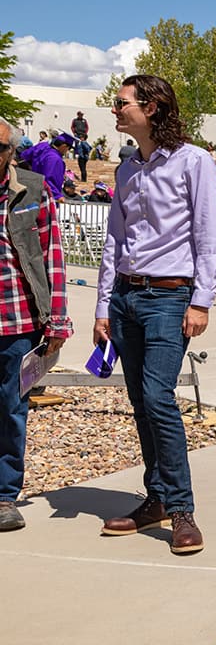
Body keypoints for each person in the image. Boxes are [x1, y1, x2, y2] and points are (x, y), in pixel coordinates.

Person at [93, 75, 216, 555]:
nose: (115, 109)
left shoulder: (194, 162)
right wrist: (103, 305)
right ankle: (157, 499)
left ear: (151, 108)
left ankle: (182, 508)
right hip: (127, 299)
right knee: (141, 403)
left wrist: (201, 301)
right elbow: (115, 241)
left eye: (121, 103)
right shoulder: (128, 168)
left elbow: (210, 235)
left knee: (157, 397)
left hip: (171, 299)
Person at [0, 117, 73, 532]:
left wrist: (57, 320)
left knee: (10, 410)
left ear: (12, 152)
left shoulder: (32, 189)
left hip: (18, 322)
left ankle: (5, 495)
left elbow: (52, 258)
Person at [19, 132, 74, 201]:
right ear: (63, 146)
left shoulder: (42, 147)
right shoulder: (55, 158)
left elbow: (24, 155)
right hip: (46, 195)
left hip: (32, 188)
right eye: (68, 149)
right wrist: (57, 195)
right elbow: (47, 179)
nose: (67, 151)